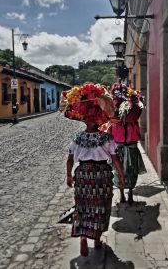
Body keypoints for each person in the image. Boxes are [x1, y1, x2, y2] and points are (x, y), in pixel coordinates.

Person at [61, 84, 124, 257]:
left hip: (82, 175)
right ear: (99, 120)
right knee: (100, 206)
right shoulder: (107, 138)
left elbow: (70, 159)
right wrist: (121, 174)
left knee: (83, 205)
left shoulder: (78, 138)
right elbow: (116, 159)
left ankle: (83, 236)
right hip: (101, 176)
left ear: (84, 120)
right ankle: (96, 239)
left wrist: (68, 175)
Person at [108, 83, 146, 204]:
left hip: (131, 147)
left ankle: (129, 194)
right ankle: (122, 195)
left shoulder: (132, 120)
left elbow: (137, 133)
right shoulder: (114, 121)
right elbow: (109, 134)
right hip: (119, 147)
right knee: (119, 173)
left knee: (132, 172)